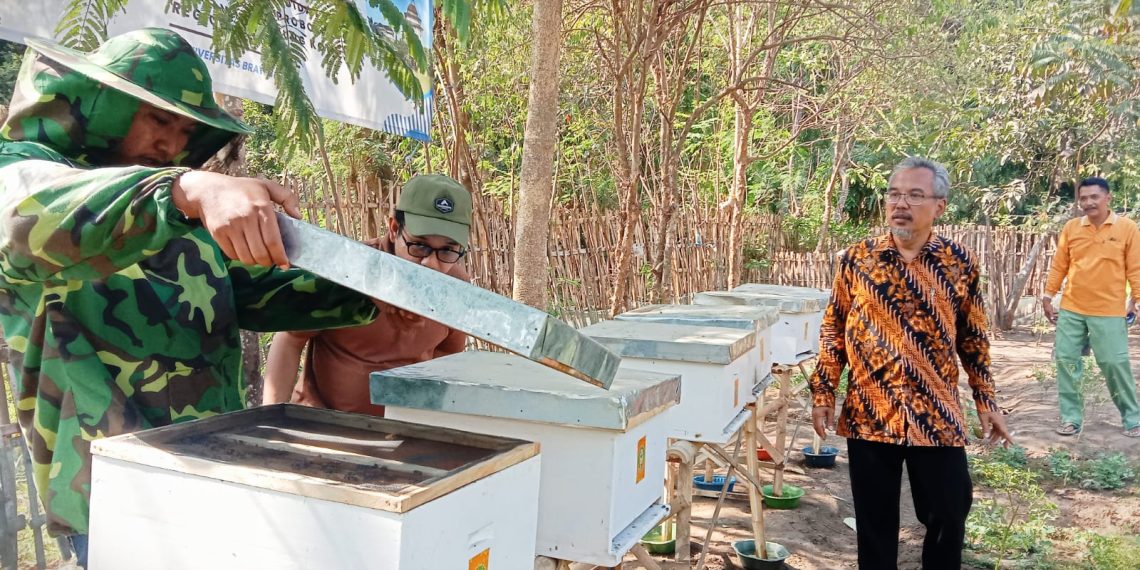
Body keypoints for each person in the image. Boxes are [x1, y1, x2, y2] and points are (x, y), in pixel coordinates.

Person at [0, 29, 379, 566]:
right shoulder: (24, 170)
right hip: (117, 499)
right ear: (104, 104)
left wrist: (367, 288)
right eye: (158, 119)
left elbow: (244, 293)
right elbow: (26, 221)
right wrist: (187, 189)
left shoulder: (172, 207)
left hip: (215, 469)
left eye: (186, 131)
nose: (172, 145)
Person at [810, 156, 1013, 570]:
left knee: (949, 516)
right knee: (874, 526)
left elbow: (973, 337)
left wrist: (986, 400)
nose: (901, 204)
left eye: (915, 195)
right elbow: (834, 329)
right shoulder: (857, 260)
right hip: (871, 412)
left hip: (936, 412)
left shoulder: (959, 262)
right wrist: (823, 391)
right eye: (895, 194)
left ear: (939, 206)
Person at [262, 175, 471, 415]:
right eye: (419, 246)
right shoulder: (347, 271)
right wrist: (270, 418)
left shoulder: (456, 288)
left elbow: (447, 358)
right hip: (323, 429)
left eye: (447, 250)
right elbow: (290, 339)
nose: (430, 263)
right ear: (394, 229)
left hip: (406, 434)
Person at [1041, 177, 1140, 438]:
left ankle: (1132, 418)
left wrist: (1136, 300)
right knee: (1066, 361)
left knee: (1113, 363)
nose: (1088, 202)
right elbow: (1060, 265)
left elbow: (1136, 268)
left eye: (1094, 197)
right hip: (1072, 308)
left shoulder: (1127, 229)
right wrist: (1047, 296)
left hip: (1109, 311)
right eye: (1083, 198)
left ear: (1108, 198)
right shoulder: (1072, 228)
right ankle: (1071, 419)